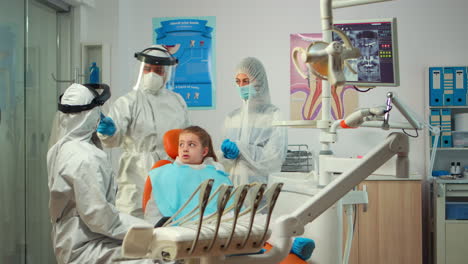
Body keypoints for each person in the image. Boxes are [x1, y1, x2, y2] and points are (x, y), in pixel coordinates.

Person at [47, 83, 155, 264]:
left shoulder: (60, 148)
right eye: (98, 110)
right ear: (90, 114)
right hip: (85, 246)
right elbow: (99, 218)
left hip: (71, 238)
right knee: (159, 258)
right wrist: (150, 229)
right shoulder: (86, 158)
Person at [97, 45, 190, 218]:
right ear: (141, 70)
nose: (152, 74)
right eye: (147, 69)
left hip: (171, 171)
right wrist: (108, 132)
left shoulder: (177, 102)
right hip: (135, 175)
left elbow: (187, 138)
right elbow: (112, 139)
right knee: (135, 226)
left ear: (167, 73)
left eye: (158, 70)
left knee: (170, 225)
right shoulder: (128, 101)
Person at [220, 57, 288, 185]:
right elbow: (221, 161)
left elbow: (274, 157)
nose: (241, 86)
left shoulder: (273, 115)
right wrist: (225, 156)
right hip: (232, 188)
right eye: (238, 81)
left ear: (260, 81)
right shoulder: (232, 118)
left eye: (246, 81)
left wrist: (241, 149)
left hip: (259, 188)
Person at [146, 126, 232, 223]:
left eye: (191, 145)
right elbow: (153, 215)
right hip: (175, 230)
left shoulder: (217, 173)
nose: (185, 149)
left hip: (212, 229)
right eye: (181, 144)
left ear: (204, 151)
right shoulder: (165, 174)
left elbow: (231, 209)